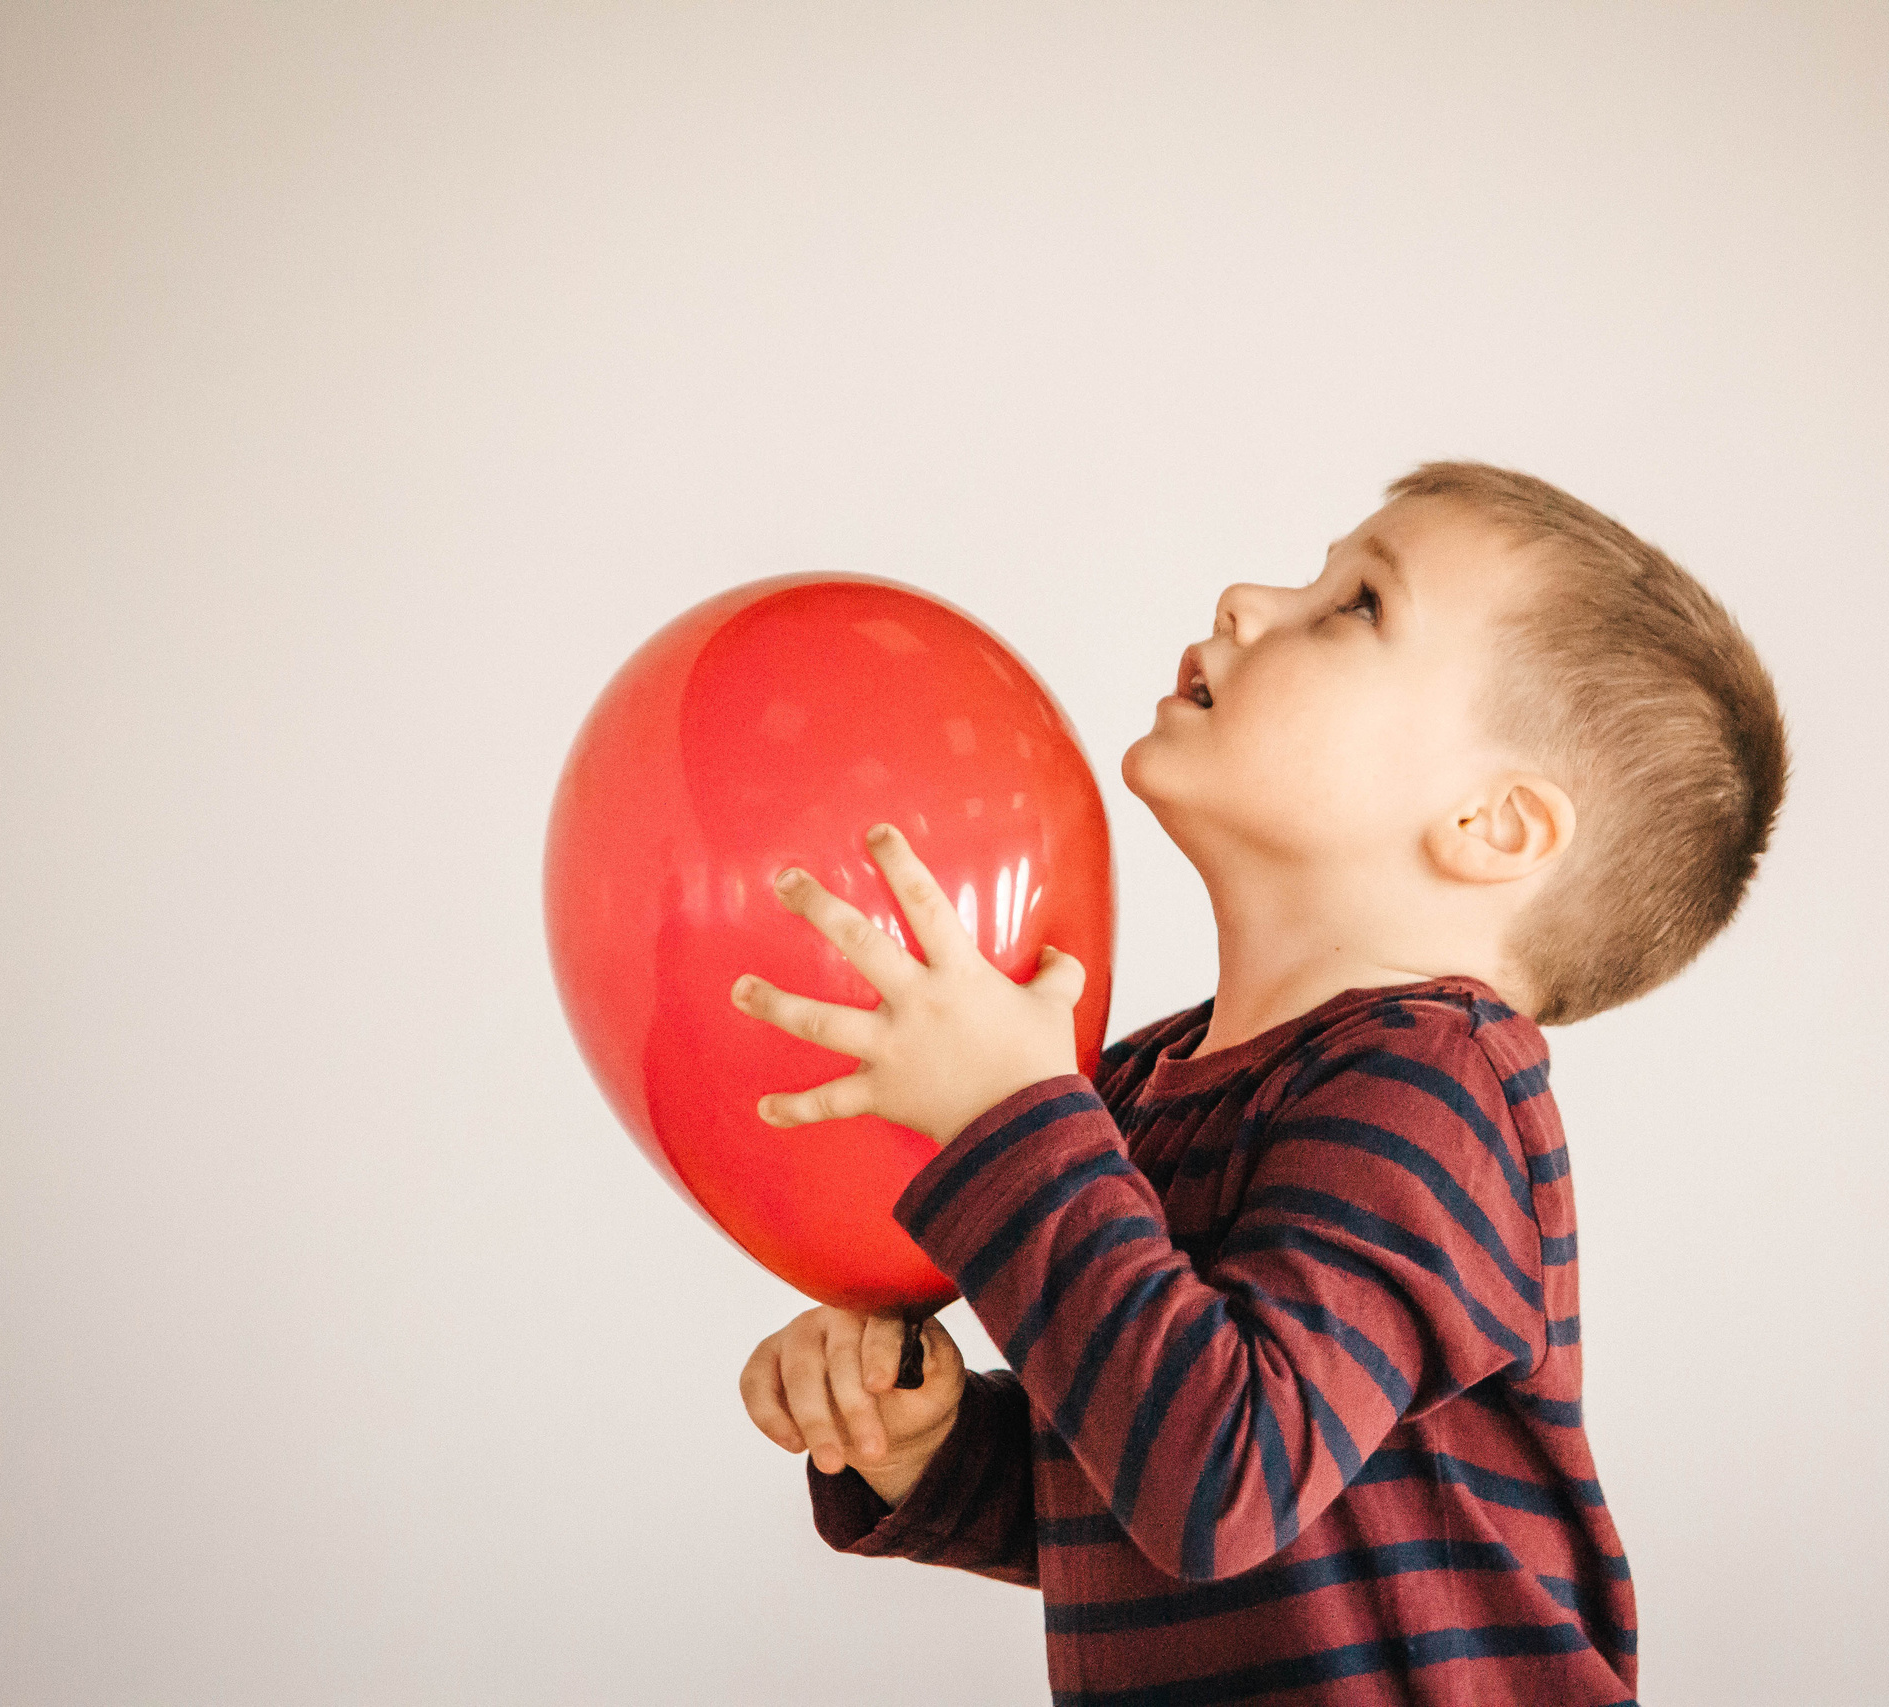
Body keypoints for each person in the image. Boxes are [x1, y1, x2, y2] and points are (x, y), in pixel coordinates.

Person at [734, 461, 1787, 1704]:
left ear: (1491, 826)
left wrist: (1005, 1119)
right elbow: (1136, 1487)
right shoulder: (1137, 1087)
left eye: (1356, 605)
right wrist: (934, 1445)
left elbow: (1218, 1475)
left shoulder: (1433, 1086)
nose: (1245, 599)